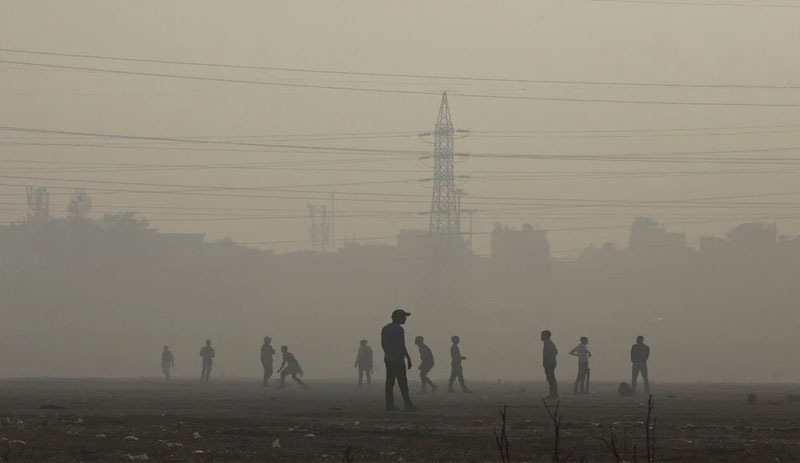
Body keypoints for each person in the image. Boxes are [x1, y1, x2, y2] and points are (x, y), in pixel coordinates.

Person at [380, 308, 415, 411]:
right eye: (404, 317)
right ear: (398, 318)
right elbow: (401, 345)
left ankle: (390, 405)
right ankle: (408, 404)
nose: (405, 319)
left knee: (390, 382)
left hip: (389, 358)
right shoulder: (399, 329)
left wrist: (389, 354)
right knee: (403, 383)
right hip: (397, 359)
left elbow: (384, 344)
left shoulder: (385, 328)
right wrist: (407, 357)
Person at [541, 330, 558, 399]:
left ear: (546, 335)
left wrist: (549, 360)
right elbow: (555, 351)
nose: (541, 336)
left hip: (549, 363)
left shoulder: (548, 342)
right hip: (549, 363)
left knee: (551, 378)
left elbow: (555, 351)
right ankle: (553, 394)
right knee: (550, 378)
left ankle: (553, 394)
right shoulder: (547, 342)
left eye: (542, 335)